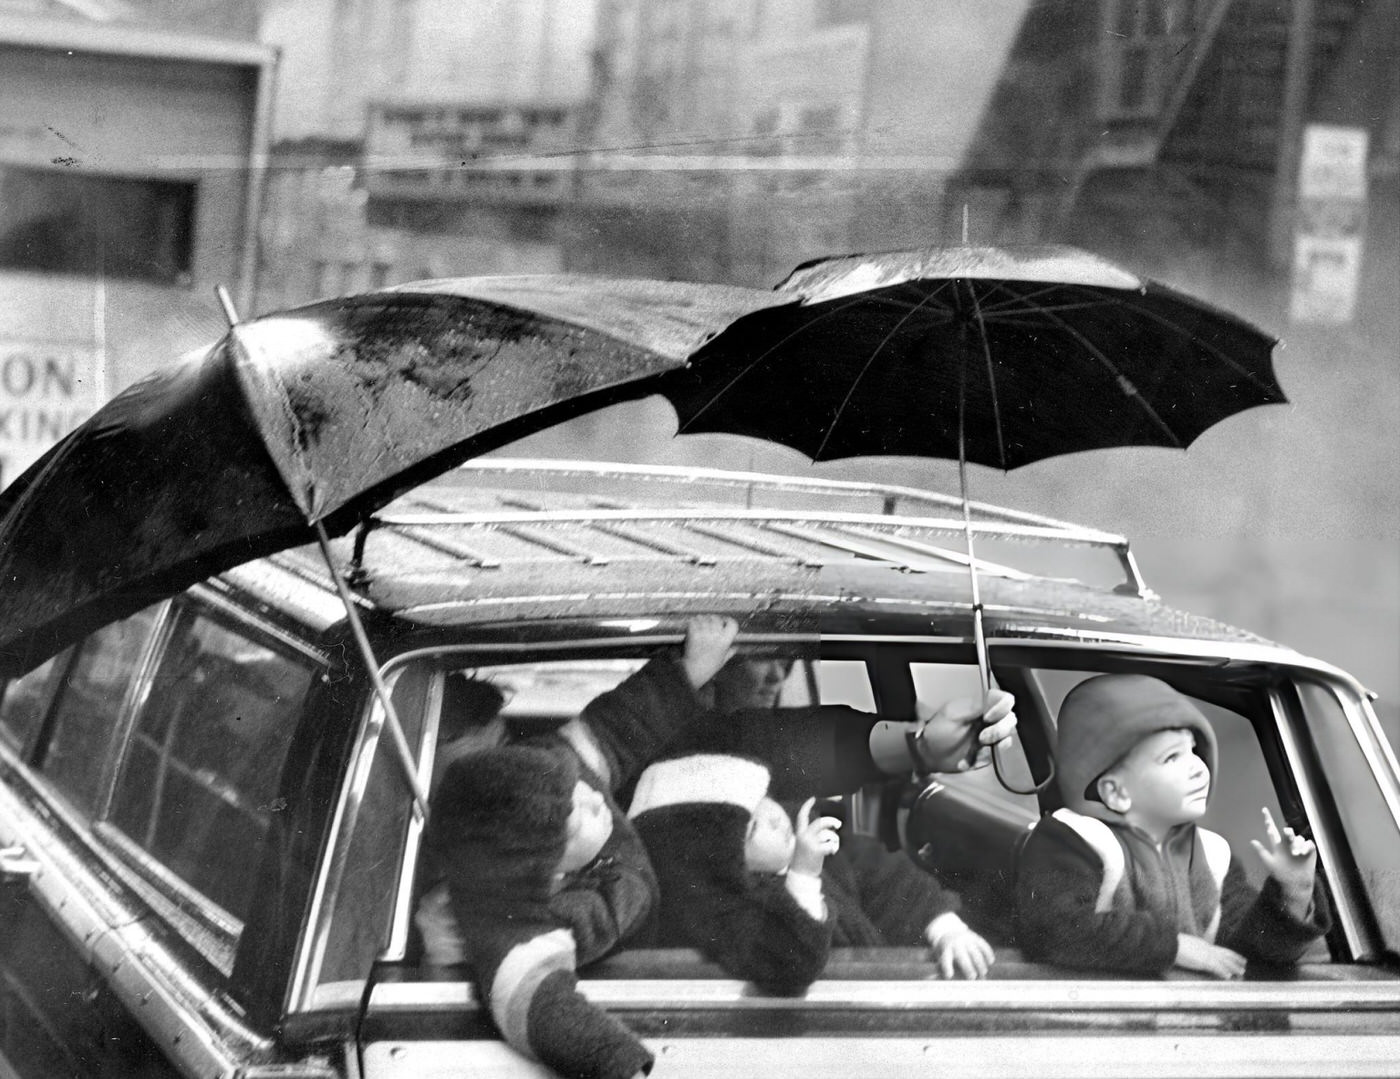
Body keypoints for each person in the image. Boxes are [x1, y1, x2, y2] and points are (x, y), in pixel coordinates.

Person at [1014, 673, 1331, 978]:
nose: (1197, 767)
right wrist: (1176, 947)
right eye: (1171, 758)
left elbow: (1246, 956)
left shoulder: (1213, 854)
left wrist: (1294, 892)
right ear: (1116, 792)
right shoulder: (1072, 839)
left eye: (1193, 750)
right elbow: (1056, 929)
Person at [631, 752, 994, 993]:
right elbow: (790, 959)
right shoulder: (734, 913)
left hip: (883, 991)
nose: (775, 817)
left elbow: (889, 877)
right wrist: (803, 875)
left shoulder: (810, 834)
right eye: (753, 827)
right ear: (723, 865)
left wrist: (945, 928)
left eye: (764, 799)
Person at [422, 745, 652, 1079]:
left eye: (581, 787)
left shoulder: (532, 811)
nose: (598, 801)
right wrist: (615, 1060)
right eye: (577, 822)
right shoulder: (511, 926)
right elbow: (536, 1003)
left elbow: (598, 738)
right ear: (540, 868)